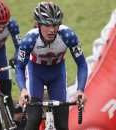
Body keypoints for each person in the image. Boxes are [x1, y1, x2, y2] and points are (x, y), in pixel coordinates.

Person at [15, 2, 88, 130]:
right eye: (47, 25)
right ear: (38, 24)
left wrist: (80, 90)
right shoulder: (30, 40)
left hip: (57, 74)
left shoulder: (68, 36)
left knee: (62, 124)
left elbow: (82, 64)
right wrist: (23, 90)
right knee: (33, 120)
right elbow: (20, 67)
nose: (52, 30)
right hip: (35, 73)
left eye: (55, 25)